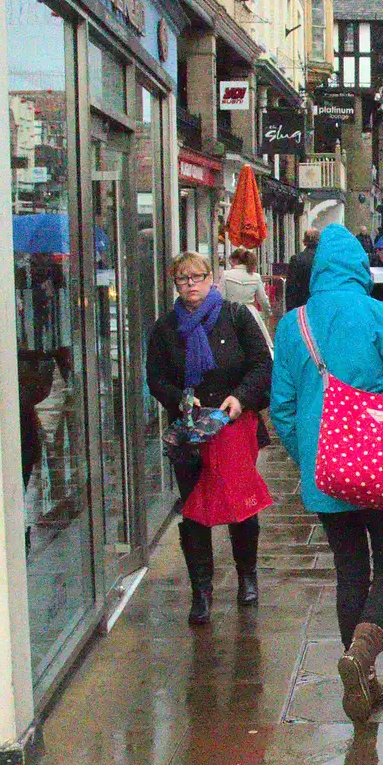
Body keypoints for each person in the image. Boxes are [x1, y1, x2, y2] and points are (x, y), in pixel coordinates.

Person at [270, 226, 383, 721]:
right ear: (358, 269)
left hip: (326, 475)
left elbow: (282, 409)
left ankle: (359, 676)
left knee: (350, 573)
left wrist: (310, 459)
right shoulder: (380, 316)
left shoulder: (292, 324)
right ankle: (361, 658)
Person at [147, 251, 274, 624]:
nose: (190, 286)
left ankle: (246, 576)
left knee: (240, 504)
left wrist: (242, 396)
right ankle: (200, 590)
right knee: (195, 511)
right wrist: (178, 397)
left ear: (211, 278)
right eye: (182, 280)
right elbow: (156, 377)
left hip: (233, 427)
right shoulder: (166, 328)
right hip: (190, 434)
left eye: (197, 277)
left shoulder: (236, 317)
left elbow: (262, 365)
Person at [221, 247, 273, 351]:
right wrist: (268, 313)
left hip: (231, 312)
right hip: (250, 312)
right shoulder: (256, 276)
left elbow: (221, 297)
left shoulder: (226, 275)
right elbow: (263, 299)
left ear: (236, 260)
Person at [284, 227, 320, 312]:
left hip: (301, 305)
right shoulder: (325, 259)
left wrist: (290, 310)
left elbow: (291, 287)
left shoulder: (296, 259)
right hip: (320, 304)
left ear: (304, 242)